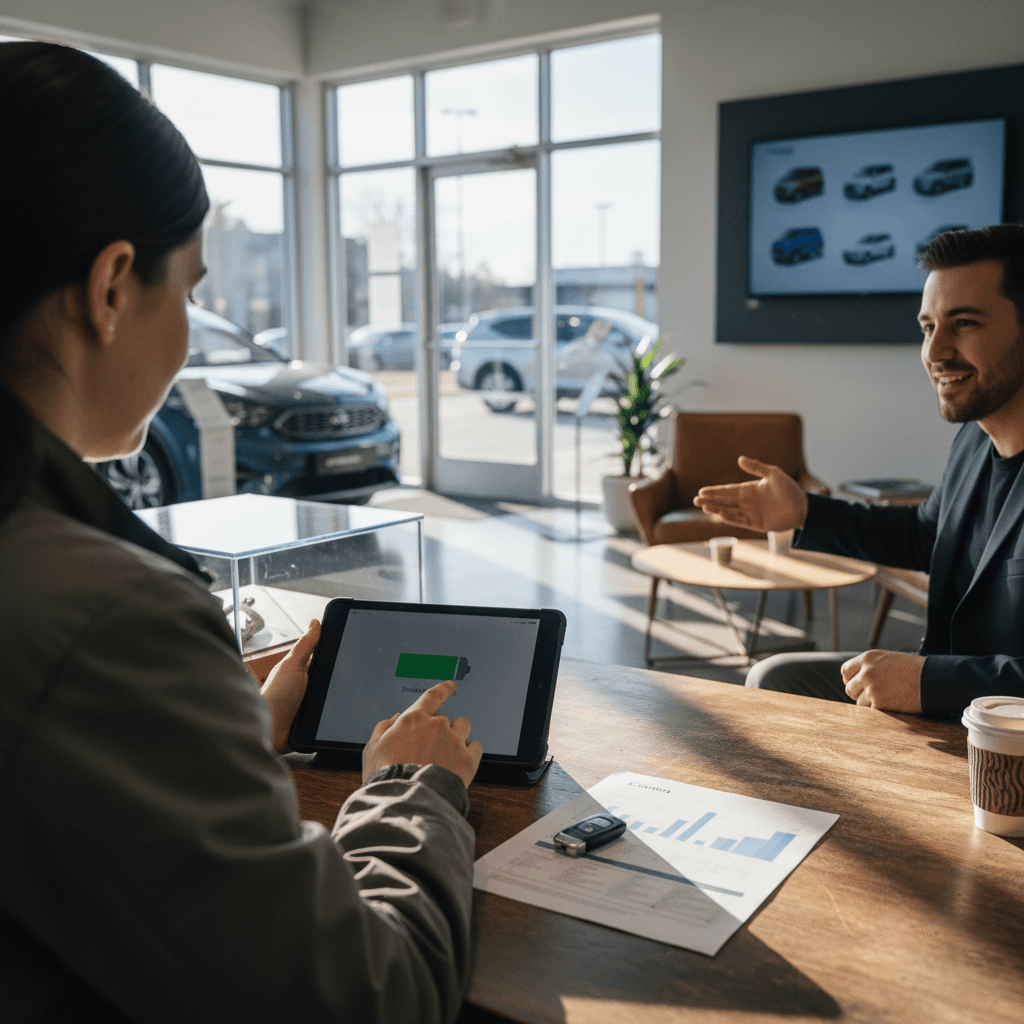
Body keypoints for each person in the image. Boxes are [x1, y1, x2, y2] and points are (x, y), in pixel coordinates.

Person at [0, 42, 483, 1023]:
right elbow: (367, 998)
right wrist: (414, 787)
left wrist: (226, 727)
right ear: (110, 287)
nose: (185, 328)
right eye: (189, 289)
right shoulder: (103, 610)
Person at [694, 223, 1024, 719]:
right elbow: (924, 535)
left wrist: (929, 681)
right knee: (774, 678)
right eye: (928, 327)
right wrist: (803, 511)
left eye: (964, 324)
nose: (934, 354)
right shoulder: (975, 440)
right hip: (947, 698)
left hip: (1002, 738)